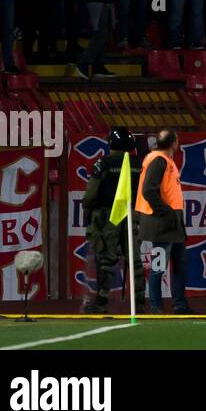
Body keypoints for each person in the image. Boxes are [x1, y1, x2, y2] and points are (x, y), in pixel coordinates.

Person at [80, 127, 143, 312]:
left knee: (106, 257)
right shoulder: (138, 163)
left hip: (109, 215)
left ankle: (101, 301)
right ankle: (139, 301)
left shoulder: (103, 163)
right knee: (135, 257)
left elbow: (92, 192)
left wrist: (88, 207)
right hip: (133, 214)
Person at [135, 129, 190, 313]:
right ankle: (157, 307)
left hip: (173, 224)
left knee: (180, 266)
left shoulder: (163, 160)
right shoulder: (158, 160)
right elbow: (148, 190)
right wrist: (164, 212)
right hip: (162, 224)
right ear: (175, 142)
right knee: (158, 268)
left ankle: (179, 305)